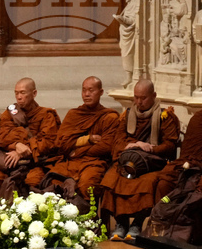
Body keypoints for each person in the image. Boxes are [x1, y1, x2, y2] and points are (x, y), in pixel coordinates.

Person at [99, 80, 180, 240]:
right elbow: (117, 142)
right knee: (112, 178)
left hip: (153, 163)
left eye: (143, 98)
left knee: (147, 183)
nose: (139, 102)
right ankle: (121, 223)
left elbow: (170, 145)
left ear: (154, 96)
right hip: (128, 161)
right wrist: (133, 145)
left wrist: (150, 148)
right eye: (136, 97)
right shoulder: (127, 115)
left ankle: (137, 223)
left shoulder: (165, 116)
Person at [0, 78, 60, 201]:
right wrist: (16, 145)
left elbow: (48, 143)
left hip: (36, 163)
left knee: (33, 181)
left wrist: (21, 152)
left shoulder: (46, 115)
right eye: (16, 93)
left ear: (34, 93)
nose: (19, 97)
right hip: (10, 162)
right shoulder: (11, 113)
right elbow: (2, 137)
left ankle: (30, 218)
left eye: (23, 93)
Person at [48, 76, 121, 200]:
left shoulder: (109, 117)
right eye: (84, 90)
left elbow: (105, 147)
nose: (86, 94)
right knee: (53, 184)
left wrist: (76, 151)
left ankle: (88, 219)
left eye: (91, 90)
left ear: (101, 92)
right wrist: (88, 140)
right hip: (70, 163)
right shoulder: (74, 114)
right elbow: (61, 143)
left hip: (94, 162)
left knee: (88, 187)